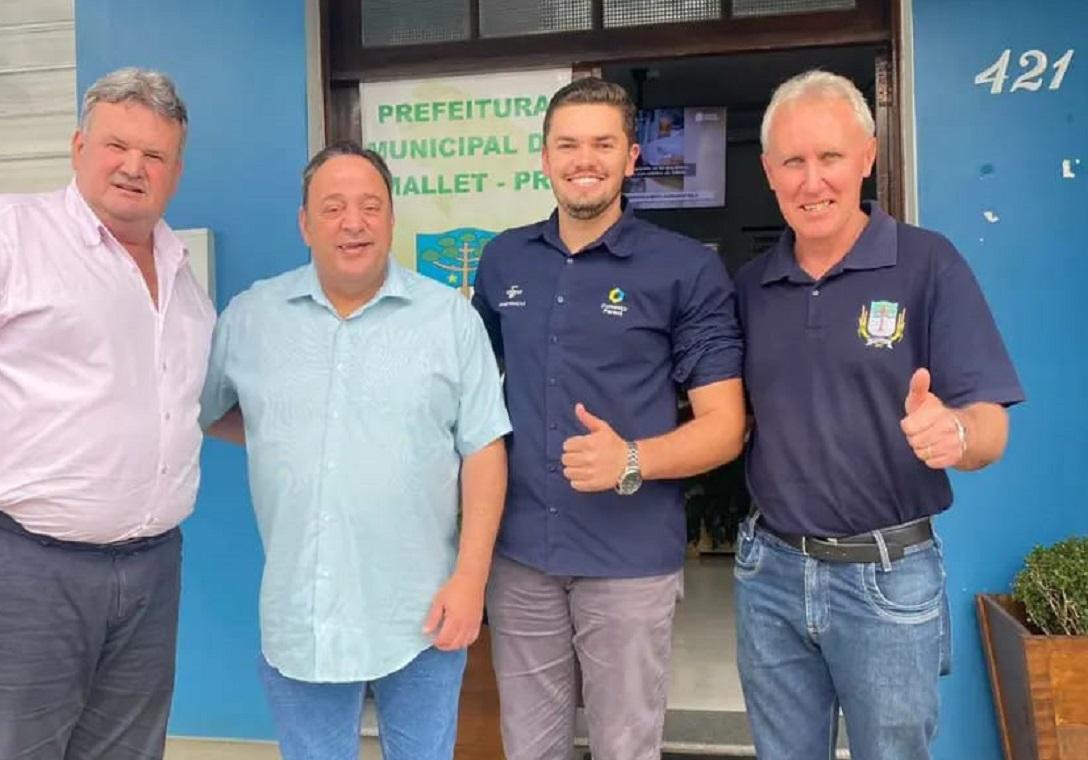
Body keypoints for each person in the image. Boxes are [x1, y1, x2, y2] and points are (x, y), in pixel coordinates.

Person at [0, 68, 212, 759]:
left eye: (155, 155)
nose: (133, 167)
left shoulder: (181, 274)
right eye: (117, 145)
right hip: (19, 572)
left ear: (176, 172)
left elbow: (187, 406)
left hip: (150, 574)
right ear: (79, 147)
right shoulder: (5, 234)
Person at [734, 69, 1024, 760]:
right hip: (769, 573)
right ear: (769, 172)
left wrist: (955, 432)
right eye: (793, 162)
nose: (812, 181)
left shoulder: (928, 264)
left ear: (867, 157)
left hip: (888, 578)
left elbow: (992, 427)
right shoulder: (750, 287)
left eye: (830, 157)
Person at [200, 141, 510, 760]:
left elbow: (483, 450)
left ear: (392, 218)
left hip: (422, 609)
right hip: (303, 611)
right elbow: (212, 413)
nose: (353, 222)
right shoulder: (251, 318)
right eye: (333, 207)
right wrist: (294, 437)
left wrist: (471, 579)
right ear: (304, 223)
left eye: (370, 206)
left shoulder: (449, 320)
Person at [471, 76, 746, 760]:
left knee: (625, 748)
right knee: (529, 749)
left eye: (602, 143)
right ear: (544, 158)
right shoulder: (504, 260)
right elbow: (469, 396)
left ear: (631, 158)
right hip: (521, 556)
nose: (583, 160)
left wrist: (631, 459)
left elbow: (725, 426)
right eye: (567, 145)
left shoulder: (684, 269)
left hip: (629, 561)